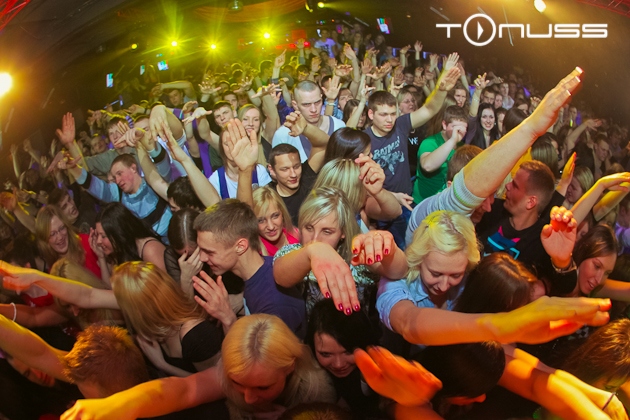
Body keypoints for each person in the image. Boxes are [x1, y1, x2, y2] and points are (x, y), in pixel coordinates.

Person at [60, 314, 336, 420]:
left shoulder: (317, 390)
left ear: (289, 368)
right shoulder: (237, 368)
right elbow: (181, 390)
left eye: (263, 387)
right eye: (237, 384)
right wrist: (114, 406)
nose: (249, 397)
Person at [194, 199, 307, 338]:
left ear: (240, 246)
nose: (202, 258)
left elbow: (253, 353)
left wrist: (228, 319)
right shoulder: (260, 272)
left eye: (209, 252)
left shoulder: (275, 307)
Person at [273, 186, 379, 316]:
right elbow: (280, 275)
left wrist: (388, 248)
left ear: (343, 232)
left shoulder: (357, 258)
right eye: (309, 228)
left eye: (327, 231)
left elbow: (397, 272)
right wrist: (311, 251)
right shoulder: (294, 251)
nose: (315, 239)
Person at [305, 299, 382, 417]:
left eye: (349, 352)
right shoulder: (305, 380)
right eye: (326, 354)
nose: (339, 364)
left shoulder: (385, 368)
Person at [272, 80, 345, 163]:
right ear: (295, 105)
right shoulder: (283, 134)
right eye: (306, 104)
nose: (314, 109)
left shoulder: (338, 126)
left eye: (317, 102)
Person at [413, 105, 468, 204]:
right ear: (444, 125)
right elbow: (427, 166)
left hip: (446, 203)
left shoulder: (462, 147)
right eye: (455, 128)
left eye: (463, 128)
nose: (459, 132)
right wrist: (452, 141)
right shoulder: (430, 142)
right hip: (423, 202)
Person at [35, 205, 104, 280]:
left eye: (62, 228)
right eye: (53, 234)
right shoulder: (55, 274)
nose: (60, 237)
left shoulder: (87, 242)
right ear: (45, 240)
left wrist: (102, 257)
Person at [94, 202, 167, 272]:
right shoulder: (119, 252)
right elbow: (111, 281)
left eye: (103, 236)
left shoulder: (150, 250)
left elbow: (167, 280)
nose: (98, 241)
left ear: (119, 233)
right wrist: (101, 258)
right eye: (97, 235)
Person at [253, 185, 300, 257]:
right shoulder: (256, 252)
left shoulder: (297, 235)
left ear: (282, 213)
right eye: (261, 221)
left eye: (275, 216)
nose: (271, 227)